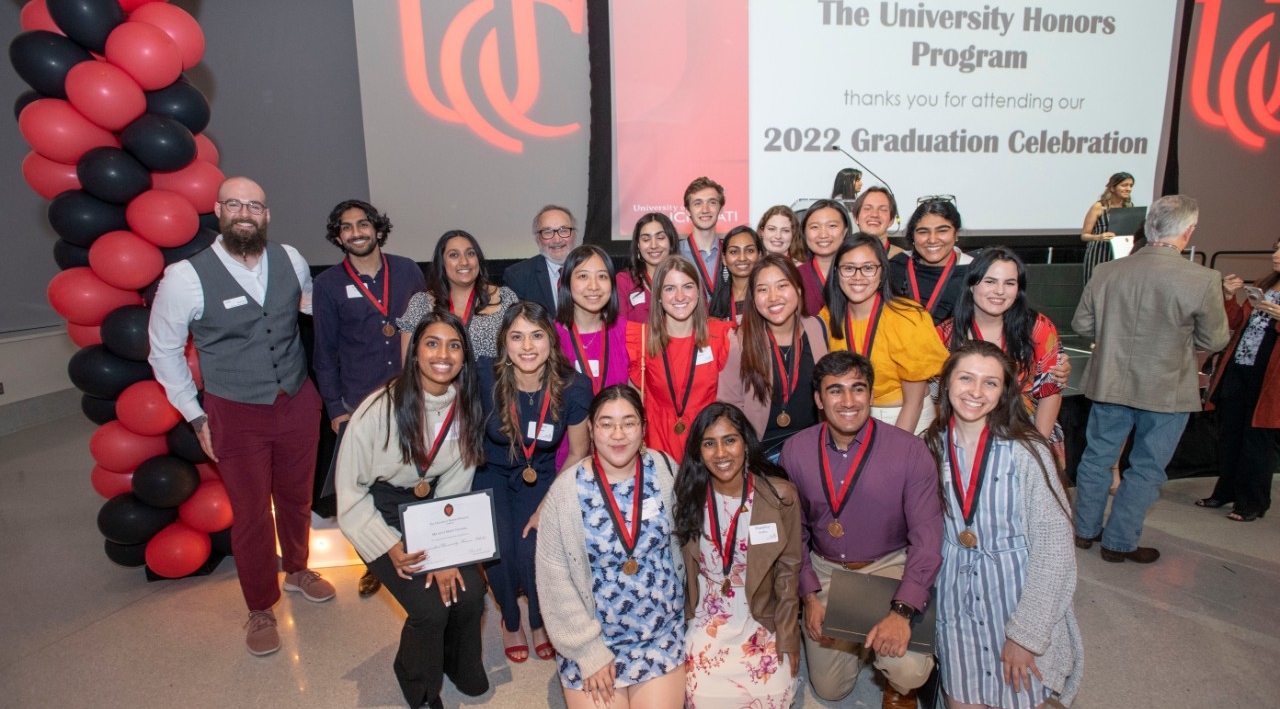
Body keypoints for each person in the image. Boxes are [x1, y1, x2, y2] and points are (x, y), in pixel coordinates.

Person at [148, 176, 334, 655]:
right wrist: (195, 415)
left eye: (255, 205)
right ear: (219, 211)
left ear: (266, 214)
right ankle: (259, 606)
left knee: (296, 498)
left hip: (296, 400)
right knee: (250, 514)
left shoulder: (290, 259)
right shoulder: (185, 277)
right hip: (234, 410)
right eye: (235, 204)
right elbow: (164, 352)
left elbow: (312, 309)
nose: (245, 212)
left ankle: (296, 568)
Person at [335, 312, 488, 709]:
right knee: (430, 609)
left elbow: (456, 481)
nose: (443, 354)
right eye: (432, 343)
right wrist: (390, 545)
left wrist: (445, 553)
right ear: (415, 352)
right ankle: (417, 682)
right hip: (379, 511)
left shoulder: (465, 406)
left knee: (471, 593)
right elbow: (350, 493)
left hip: (434, 508)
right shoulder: (377, 408)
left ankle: (459, 665)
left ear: (464, 357)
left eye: (454, 346)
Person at [924, 340, 1084, 709]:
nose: (976, 392)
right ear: (946, 383)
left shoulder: (1028, 450)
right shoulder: (929, 446)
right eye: (965, 378)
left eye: (990, 383)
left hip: (1015, 598)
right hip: (955, 602)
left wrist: (1026, 636)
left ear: (1004, 392)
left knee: (1019, 695)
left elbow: (1055, 548)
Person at [779, 351, 943, 709]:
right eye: (835, 391)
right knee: (829, 689)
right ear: (820, 400)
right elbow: (795, 533)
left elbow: (927, 540)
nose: (848, 401)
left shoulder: (910, 451)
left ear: (871, 395)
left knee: (909, 669)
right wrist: (809, 597)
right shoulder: (795, 451)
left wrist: (902, 613)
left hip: (889, 567)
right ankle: (863, 639)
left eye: (858, 389)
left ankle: (892, 676)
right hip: (827, 570)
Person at [1072, 195, 1230, 563]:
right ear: (1187, 233)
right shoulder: (1204, 279)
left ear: (1148, 227)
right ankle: (1119, 543)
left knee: (1096, 459)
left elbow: (1081, 325)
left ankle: (1084, 531)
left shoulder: (1107, 272)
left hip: (1109, 383)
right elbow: (1216, 340)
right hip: (1167, 390)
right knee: (1146, 468)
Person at [537, 385, 687, 709]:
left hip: (658, 633)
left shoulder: (665, 469)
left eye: (629, 422)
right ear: (591, 429)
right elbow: (554, 582)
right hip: (593, 639)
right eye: (606, 423)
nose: (618, 434)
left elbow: (691, 543)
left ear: (644, 428)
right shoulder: (564, 493)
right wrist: (588, 652)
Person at [313, 199, 426, 598]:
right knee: (366, 487)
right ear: (338, 236)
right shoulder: (327, 285)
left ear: (378, 229)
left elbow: (426, 327)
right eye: (346, 227)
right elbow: (323, 353)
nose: (356, 232)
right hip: (360, 403)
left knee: (415, 479)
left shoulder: (409, 269)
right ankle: (376, 561)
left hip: (413, 395)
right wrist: (334, 410)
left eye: (364, 224)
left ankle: (419, 550)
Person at [476, 303, 592, 662]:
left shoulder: (574, 386)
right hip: (491, 472)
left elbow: (577, 453)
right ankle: (511, 620)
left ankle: (540, 620)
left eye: (537, 335)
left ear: (551, 341)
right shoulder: (484, 376)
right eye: (517, 336)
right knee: (499, 548)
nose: (527, 346)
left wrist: (546, 507)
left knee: (532, 546)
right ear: (504, 343)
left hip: (540, 476)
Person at [675, 402, 802, 708]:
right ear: (698, 451)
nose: (721, 453)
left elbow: (788, 572)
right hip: (709, 618)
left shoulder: (780, 495)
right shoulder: (688, 495)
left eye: (729, 440)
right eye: (709, 444)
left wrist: (787, 635)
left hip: (760, 616)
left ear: (746, 443)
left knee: (774, 694)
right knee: (700, 697)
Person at [937, 247, 1064, 452]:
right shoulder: (946, 335)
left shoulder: (1038, 328)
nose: (999, 291)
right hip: (964, 438)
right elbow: (938, 397)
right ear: (971, 285)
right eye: (990, 281)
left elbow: (1050, 391)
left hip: (1028, 433)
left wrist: (1036, 449)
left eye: (1009, 283)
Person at [823, 234, 949, 434]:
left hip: (904, 418)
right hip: (850, 415)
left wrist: (893, 450)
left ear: (882, 272)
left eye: (868, 268)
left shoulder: (907, 317)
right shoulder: (828, 317)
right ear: (837, 272)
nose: (858, 276)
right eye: (848, 268)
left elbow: (913, 403)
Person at [1199, 238, 1280, 521]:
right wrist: (1229, 297)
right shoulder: (1265, 283)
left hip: (1269, 377)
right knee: (1231, 435)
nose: (1276, 255)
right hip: (1240, 367)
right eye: (1276, 248)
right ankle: (1225, 492)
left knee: (1257, 442)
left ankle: (1253, 502)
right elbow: (1235, 323)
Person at [718, 255, 829, 458]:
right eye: (762, 289)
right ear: (753, 297)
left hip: (815, 447)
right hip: (764, 451)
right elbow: (729, 407)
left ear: (798, 290)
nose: (773, 297)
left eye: (781, 286)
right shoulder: (738, 341)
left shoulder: (817, 328)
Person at [626, 255, 734, 462]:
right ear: (658, 295)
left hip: (707, 447)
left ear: (698, 292)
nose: (680, 296)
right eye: (669, 288)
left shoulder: (722, 336)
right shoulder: (639, 339)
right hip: (657, 451)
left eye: (687, 286)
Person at [399, 229, 517, 359]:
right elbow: (409, 365)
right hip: (439, 378)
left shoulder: (505, 298)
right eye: (454, 255)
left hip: (492, 379)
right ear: (442, 263)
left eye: (470, 254)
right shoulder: (420, 303)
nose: (464, 262)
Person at [889, 198, 973, 325]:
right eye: (923, 232)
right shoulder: (896, 267)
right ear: (913, 236)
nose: (932, 240)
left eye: (942, 231)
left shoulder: (974, 272)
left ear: (956, 234)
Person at [503, 205, 579, 313]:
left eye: (563, 230)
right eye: (547, 232)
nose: (557, 240)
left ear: (574, 235)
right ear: (537, 239)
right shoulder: (518, 276)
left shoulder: (593, 271)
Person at [795, 199, 851, 319]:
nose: (823, 234)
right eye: (814, 227)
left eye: (832, 226)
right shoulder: (794, 276)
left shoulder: (858, 274)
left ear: (845, 231)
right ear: (804, 233)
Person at [618, 213, 676, 324]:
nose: (653, 245)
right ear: (638, 246)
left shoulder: (686, 278)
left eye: (660, 237)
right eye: (646, 239)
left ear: (671, 242)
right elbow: (620, 330)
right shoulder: (624, 281)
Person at [1080, 172, 1134, 284]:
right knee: (1096, 286)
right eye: (1124, 185)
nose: (1128, 189)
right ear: (1113, 188)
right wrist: (1099, 237)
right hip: (1099, 253)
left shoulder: (1129, 207)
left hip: (1121, 254)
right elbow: (1084, 235)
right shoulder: (1099, 207)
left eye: (1130, 185)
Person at [679, 176, 727, 301]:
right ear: (688, 211)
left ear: (721, 209)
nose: (705, 210)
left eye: (712, 202)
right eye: (698, 203)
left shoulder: (731, 253)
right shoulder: (675, 254)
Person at [708, 226, 762, 324]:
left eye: (749, 250)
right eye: (734, 252)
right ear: (724, 259)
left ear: (759, 255)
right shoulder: (716, 302)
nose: (742, 258)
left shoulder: (766, 297)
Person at [851, 186, 906, 259]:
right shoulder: (843, 257)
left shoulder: (904, 260)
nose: (874, 214)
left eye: (883, 209)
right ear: (856, 218)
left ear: (891, 220)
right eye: (867, 208)